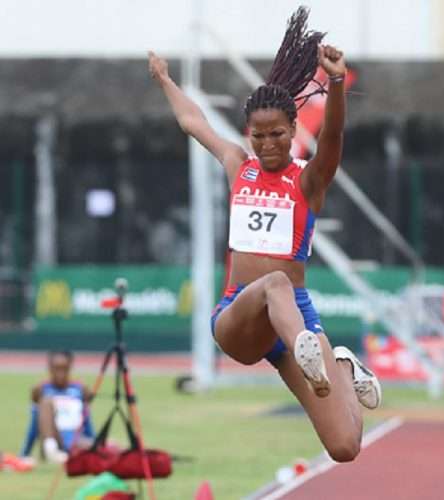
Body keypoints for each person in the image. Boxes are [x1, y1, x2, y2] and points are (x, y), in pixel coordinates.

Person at [149, 6, 380, 462]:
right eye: (259, 135)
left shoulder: (308, 181)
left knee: (344, 447)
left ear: (294, 131)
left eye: (277, 134)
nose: (268, 143)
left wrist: (335, 83)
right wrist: (164, 80)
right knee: (275, 284)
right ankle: (312, 353)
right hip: (242, 314)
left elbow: (331, 140)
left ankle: (338, 365)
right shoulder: (238, 165)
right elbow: (193, 123)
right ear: (248, 134)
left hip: (296, 324)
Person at [20, 350, 94, 463]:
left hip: (75, 441)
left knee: (111, 446)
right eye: (56, 368)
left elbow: (86, 420)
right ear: (50, 368)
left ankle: (67, 455)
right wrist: (25, 454)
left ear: (70, 367)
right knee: (46, 403)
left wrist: (94, 441)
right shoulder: (41, 389)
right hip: (54, 439)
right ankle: (52, 450)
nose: (60, 373)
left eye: (64, 368)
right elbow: (35, 423)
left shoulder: (80, 389)